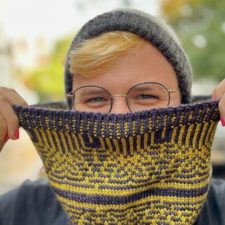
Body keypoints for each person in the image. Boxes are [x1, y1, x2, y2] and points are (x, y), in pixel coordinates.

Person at [0, 8, 225, 225]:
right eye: (95, 99)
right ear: (72, 109)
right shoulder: (20, 210)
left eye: (146, 95)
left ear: (184, 105)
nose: (119, 116)